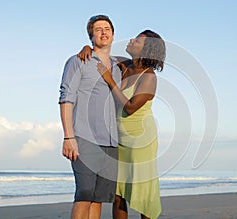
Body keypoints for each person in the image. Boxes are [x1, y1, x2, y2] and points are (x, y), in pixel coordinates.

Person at [78, 30, 166, 219]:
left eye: (138, 40)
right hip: (118, 138)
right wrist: (87, 47)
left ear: (147, 49)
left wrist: (110, 82)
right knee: (118, 193)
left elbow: (131, 107)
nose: (131, 40)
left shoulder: (149, 76)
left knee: (144, 194)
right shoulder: (123, 64)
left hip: (140, 141)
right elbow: (100, 56)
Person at [59, 15, 121, 219]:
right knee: (84, 194)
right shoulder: (79, 61)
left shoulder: (118, 68)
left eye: (107, 28)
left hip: (111, 141)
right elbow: (66, 98)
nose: (103, 32)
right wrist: (69, 137)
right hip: (84, 138)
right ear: (91, 36)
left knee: (98, 198)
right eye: (98, 29)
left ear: (113, 34)